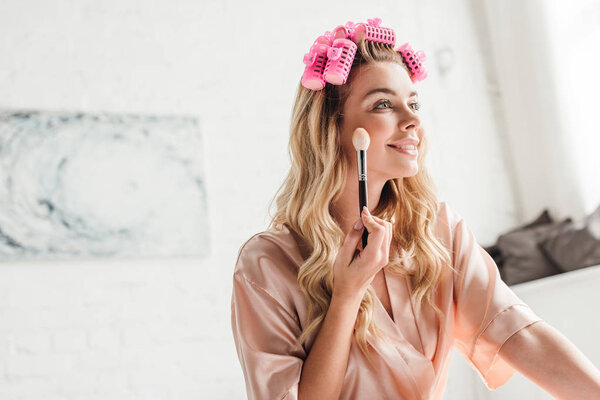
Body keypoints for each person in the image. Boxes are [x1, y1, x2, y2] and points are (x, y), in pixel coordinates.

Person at [230, 18, 600, 400]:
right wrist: (347, 295)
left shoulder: (439, 231)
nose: (412, 122)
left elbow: (517, 331)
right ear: (331, 128)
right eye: (384, 104)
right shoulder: (266, 264)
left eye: (413, 103)